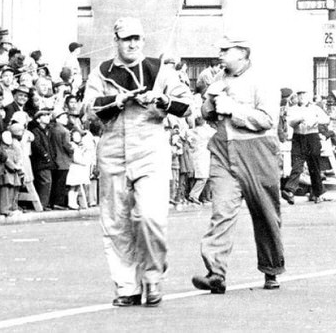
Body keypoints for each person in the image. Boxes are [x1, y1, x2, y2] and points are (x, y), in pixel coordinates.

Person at [83, 17, 191, 307]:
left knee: (150, 217)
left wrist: (163, 101)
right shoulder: (101, 72)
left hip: (150, 149)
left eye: (137, 38)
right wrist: (117, 101)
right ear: (115, 40)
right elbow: (88, 110)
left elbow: (188, 104)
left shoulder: (160, 70)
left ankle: (153, 278)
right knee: (116, 222)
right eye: (126, 38)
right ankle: (126, 286)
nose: (132, 44)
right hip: (113, 150)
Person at [192, 32, 284, 295]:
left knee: (266, 213)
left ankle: (271, 268)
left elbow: (267, 120)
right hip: (223, 151)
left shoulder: (263, 80)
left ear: (243, 53)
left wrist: (233, 108)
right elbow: (205, 116)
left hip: (257, 152)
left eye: (226, 50)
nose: (220, 54)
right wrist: (209, 101)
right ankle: (215, 273)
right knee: (221, 211)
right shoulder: (218, 79)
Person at [281, 89, 331, 205]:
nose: (302, 96)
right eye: (299, 94)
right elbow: (290, 122)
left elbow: (326, 119)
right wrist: (298, 120)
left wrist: (316, 121)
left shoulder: (315, 108)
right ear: (296, 96)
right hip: (298, 137)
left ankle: (318, 193)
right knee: (297, 164)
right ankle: (290, 191)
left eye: (304, 94)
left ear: (309, 96)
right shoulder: (293, 109)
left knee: (314, 166)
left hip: (312, 137)